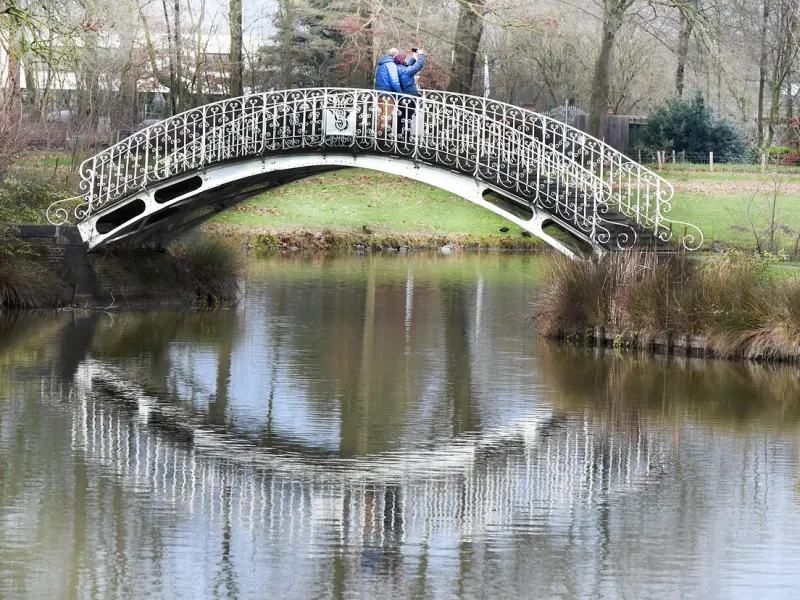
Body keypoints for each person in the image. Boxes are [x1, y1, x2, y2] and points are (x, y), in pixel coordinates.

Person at [395, 49, 426, 138]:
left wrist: (413, 58)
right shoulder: (407, 71)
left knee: (400, 117)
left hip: (400, 97)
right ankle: (406, 138)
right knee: (408, 118)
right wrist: (421, 55)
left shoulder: (397, 69)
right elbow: (419, 65)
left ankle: (398, 136)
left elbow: (407, 67)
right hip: (410, 97)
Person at [375, 48, 402, 135]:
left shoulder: (381, 64)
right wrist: (401, 95)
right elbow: (394, 81)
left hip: (379, 94)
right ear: (395, 55)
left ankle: (377, 135)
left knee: (381, 116)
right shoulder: (391, 65)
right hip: (388, 95)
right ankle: (382, 138)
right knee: (387, 117)